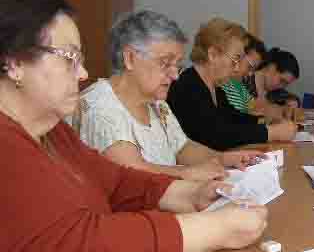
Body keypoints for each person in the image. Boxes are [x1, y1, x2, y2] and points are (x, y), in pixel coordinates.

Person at [0, 0, 267, 252]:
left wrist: (189, 194)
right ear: (15, 63)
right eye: (69, 58)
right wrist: (212, 229)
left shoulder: (52, 130)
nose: (82, 73)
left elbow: (115, 180)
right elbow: (79, 239)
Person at [74, 11, 264, 181]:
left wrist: (222, 159)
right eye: (165, 63)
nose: (175, 75)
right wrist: (185, 173)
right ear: (130, 58)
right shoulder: (99, 104)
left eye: (177, 64)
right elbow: (131, 171)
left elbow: (183, 148)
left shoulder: (156, 103)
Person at [167, 17, 296, 150]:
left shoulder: (215, 88)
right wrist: (271, 133)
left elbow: (233, 118)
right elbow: (215, 136)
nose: (236, 68)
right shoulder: (187, 87)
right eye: (235, 60)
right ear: (212, 55)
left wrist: (265, 121)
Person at [220, 33, 266, 114]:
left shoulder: (240, 87)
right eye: (250, 67)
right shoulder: (219, 83)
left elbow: (257, 110)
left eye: (254, 70)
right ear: (237, 56)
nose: (250, 74)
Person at [247, 47, 301, 112]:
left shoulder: (274, 92)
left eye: (286, 84)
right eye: (282, 80)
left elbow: (293, 98)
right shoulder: (245, 81)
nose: (281, 86)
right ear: (272, 66)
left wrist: (293, 101)